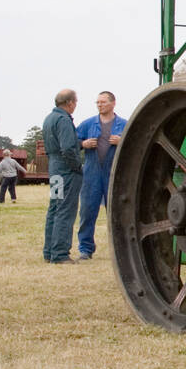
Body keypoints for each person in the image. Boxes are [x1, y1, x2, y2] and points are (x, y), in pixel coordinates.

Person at [75, 91, 128, 261]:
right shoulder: (88, 124)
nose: (99, 105)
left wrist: (122, 142)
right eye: (97, 102)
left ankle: (120, 249)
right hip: (91, 173)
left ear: (113, 103)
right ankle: (85, 249)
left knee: (116, 213)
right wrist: (83, 144)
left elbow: (135, 145)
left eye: (103, 102)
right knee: (87, 212)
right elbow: (73, 142)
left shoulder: (125, 125)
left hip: (114, 174)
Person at [42, 89, 83, 264]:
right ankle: (60, 254)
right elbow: (67, 148)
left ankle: (49, 251)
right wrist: (77, 167)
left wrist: (80, 144)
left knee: (55, 208)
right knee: (65, 210)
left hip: (55, 168)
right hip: (67, 170)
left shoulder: (49, 118)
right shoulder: (64, 120)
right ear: (70, 103)